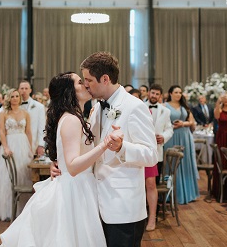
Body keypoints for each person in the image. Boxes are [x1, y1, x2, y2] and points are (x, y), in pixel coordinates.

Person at [1, 72, 125, 246]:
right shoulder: (72, 120)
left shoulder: (76, 117)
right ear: (69, 91)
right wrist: (104, 145)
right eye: (81, 82)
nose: (86, 85)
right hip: (74, 189)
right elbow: (73, 166)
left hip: (80, 185)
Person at [78, 52, 157, 247]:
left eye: (88, 80)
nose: (85, 84)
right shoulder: (96, 108)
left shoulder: (134, 106)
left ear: (105, 79)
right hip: (97, 204)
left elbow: (151, 155)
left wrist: (123, 148)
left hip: (124, 206)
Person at [0, 89, 34, 221]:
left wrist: (30, 148)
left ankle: (23, 210)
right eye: (13, 96)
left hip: (23, 144)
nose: (15, 98)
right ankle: (9, 210)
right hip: (10, 143)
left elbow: (28, 132)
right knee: (8, 177)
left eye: (17, 96)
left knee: (24, 175)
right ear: (9, 99)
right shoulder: (4, 113)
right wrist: (5, 147)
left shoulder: (26, 113)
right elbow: (1, 131)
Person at [164, 85, 200, 204]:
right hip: (172, 136)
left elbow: (192, 122)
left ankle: (188, 193)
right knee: (172, 164)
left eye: (180, 92)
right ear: (170, 93)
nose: (178, 94)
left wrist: (183, 124)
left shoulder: (185, 106)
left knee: (186, 163)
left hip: (185, 136)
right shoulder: (165, 106)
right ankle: (171, 194)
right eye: (176, 92)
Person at [144, 84, 173, 231]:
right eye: (152, 93)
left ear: (160, 96)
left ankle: (152, 216)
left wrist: (164, 137)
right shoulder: (139, 106)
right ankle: (141, 215)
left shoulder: (165, 111)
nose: (154, 96)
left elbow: (169, 128)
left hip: (157, 152)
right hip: (141, 150)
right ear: (149, 93)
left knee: (152, 184)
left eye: (157, 94)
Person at [213, 92, 227, 202]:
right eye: (223, 98)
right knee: (222, 161)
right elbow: (216, 116)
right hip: (221, 137)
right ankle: (220, 191)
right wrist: (218, 102)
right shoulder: (219, 109)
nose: (225, 99)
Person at [18, 80, 47, 157]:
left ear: (30, 90)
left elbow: (42, 127)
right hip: (17, 142)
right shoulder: (14, 106)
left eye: (26, 88)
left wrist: (41, 144)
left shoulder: (39, 107)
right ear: (18, 90)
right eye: (22, 88)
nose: (24, 90)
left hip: (34, 142)